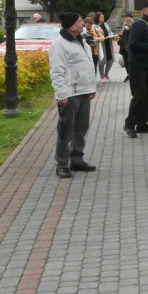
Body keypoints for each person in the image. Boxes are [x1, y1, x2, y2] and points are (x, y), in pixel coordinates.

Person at [49, 12, 98, 178]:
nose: (82, 23)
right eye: (79, 21)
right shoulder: (59, 45)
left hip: (84, 92)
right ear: (71, 26)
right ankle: (62, 164)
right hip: (69, 94)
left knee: (81, 129)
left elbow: (88, 65)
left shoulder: (81, 41)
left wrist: (91, 88)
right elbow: (57, 72)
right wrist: (62, 94)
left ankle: (76, 159)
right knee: (66, 131)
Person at [124, 1, 148, 138]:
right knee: (139, 95)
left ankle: (142, 123)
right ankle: (129, 124)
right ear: (144, 11)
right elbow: (132, 45)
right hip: (137, 65)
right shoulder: (139, 25)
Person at [96, 12, 115, 82]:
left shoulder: (106, 24)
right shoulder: (95, 26)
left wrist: (112, 35)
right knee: (102, 61)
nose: (103, 18)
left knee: (110, 61)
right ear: (97, 18)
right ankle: (102, 77)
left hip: (108, 44)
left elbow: (110, 32)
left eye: (103, 17)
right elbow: (95, 35)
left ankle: (106, 74)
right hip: (101, 45)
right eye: (101, 17)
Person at [119, 15, 134, 82]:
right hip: (123, 47)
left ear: (129, 18)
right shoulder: (124, 25)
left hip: (129, 47)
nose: (124, 19)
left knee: (129, 62)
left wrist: (128, 30)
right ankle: (128, 74)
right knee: (126, 61)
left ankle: (131, 75)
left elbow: (133, 34)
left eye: (125, 17)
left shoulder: (133, 25)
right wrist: (121, 34)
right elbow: (123, 34)